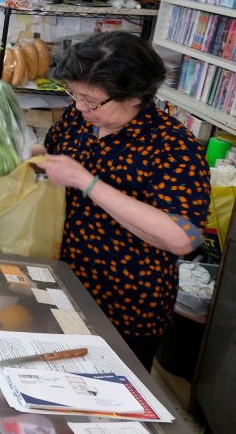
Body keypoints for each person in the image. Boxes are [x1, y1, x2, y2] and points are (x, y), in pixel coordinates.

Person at [38, 32, 210, 369]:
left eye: (91, 100)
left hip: (124, 306)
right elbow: (52, 155)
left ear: (134, 96)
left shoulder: (173, 147)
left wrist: (87, 182)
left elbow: (182, 237)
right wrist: (24, 157)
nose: (79, 107)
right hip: (62, 284)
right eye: (74, 94)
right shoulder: (79, 120)